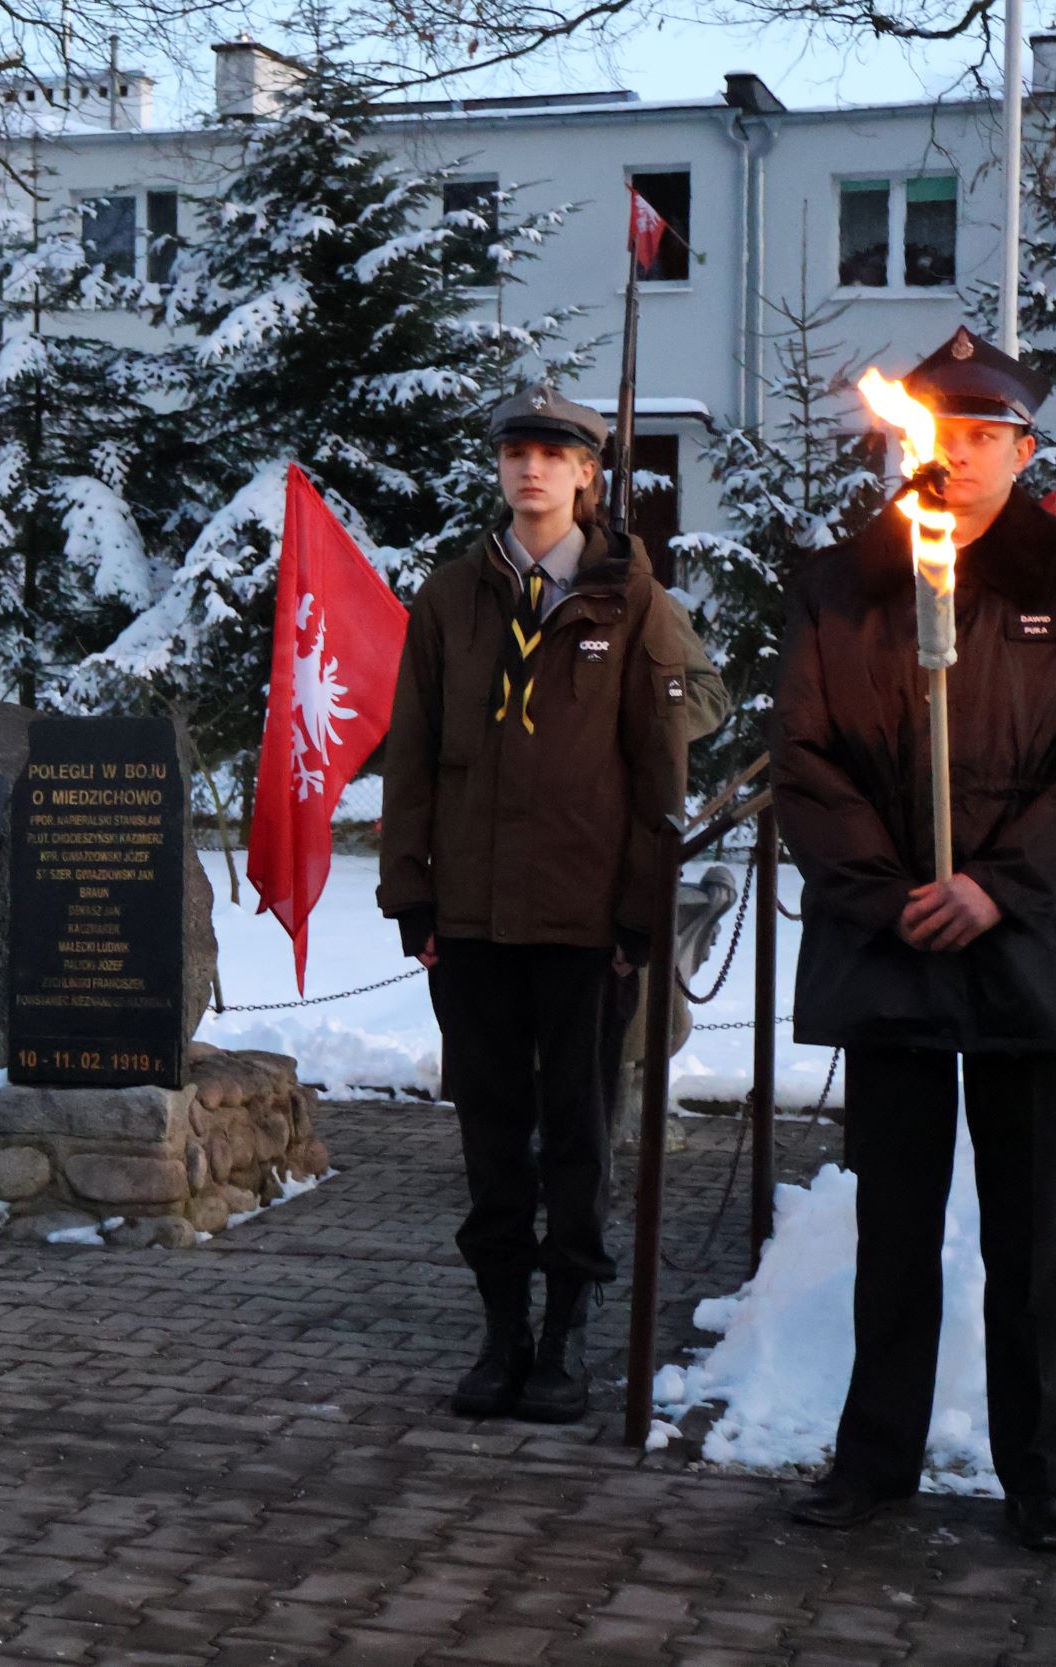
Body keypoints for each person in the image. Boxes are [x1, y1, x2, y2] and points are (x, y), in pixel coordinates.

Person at [774, 327, 1056, 1553]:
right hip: (892, 948)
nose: (964, 453)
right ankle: (875, 1457)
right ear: (906, 437)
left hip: (1028, 942)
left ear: (1024, 449)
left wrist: (994, 884)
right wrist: (891, 893)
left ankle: (1039, 1471)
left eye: (990, 433)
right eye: (947, 431)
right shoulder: (840, 584)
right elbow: (806, 764)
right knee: (895, 1226)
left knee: (1025, 1230)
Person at [378, 387, 724, 1424]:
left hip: (582, 923)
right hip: (474, 918)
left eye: (554, 454)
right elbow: (412, 757)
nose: (531, 469)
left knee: (577, 1130)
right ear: (498, 468)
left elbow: (657, 766)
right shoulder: (450, 597)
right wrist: (411, 893)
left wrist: (638, 914)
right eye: (515, 452)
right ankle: (500, 1330)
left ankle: (565, 1332)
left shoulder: (631, 597)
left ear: (587, 473)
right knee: (490, 1129)